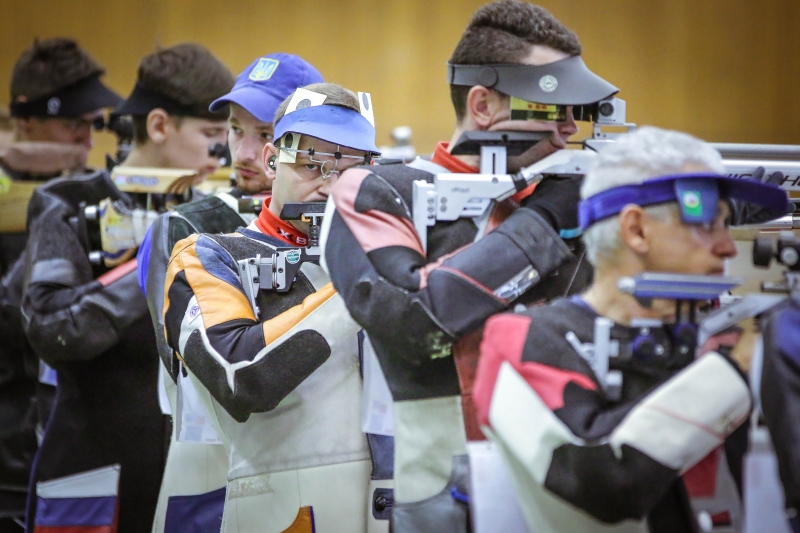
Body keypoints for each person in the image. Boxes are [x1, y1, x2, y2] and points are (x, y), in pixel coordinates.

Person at [322, 1, 617, 530]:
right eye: (553, 111)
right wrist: (545, 221)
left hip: (574, 487)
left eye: (577, 114)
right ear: (483, 105)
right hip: (443, 489)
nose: (569, 131)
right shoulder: (379, 189)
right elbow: (413, 320)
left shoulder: (573, 201)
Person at [473, 126, 792, 532]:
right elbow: (601, 482)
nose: (728, 247)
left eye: (727, 227)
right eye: (708, 225)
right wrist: (735, 368)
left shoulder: (715, 337)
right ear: (636, 230)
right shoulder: (524, 339)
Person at [19, 43, 233, 533]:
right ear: (158, 126)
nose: (222, 153)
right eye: (210, 135)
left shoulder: (213, 213)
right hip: (91, 470)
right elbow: (53, 328)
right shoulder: (66, 202)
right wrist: (153, 267)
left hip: (188, 474)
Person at [163, 83, 381, 533]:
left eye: (350, 169)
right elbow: (238, 375)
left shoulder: (390, 255)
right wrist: (360, 279)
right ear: (271, 160)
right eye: (312, 163)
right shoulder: (208, 255)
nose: (330, 185)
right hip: (282, 510)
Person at [142, 53, 323, 533]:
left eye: (265, 134)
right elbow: (193, 366)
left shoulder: (345, 225)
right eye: (235, 129)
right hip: (209, 463)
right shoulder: (188, 225)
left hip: (312, 463)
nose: (244, 152)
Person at [0, 37, 122, 530]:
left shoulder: (93, 195)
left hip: (73, 449)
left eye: (93, 126)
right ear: (25, 120)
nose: (87, 142)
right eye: (73, 125)